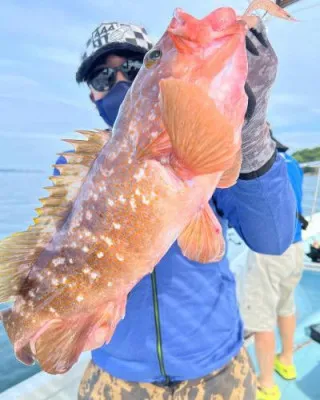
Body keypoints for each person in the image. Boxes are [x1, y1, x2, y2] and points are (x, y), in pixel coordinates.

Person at [54, 20, 296, 400]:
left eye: (134, 69)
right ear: (92, 96)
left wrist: (249, 138)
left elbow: (275, 238)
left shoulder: (204, 151)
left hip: (217, 368)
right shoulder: (76, 165)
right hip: (115, 374)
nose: (118, 82)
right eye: (102, 78)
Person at [240, 131, 305, 400]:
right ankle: (287, 361)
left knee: (261, 319)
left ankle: (266, 383)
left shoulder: (261, 166)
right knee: (286, 306)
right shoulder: (292, 162)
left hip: (268, 253)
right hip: (297, 247)